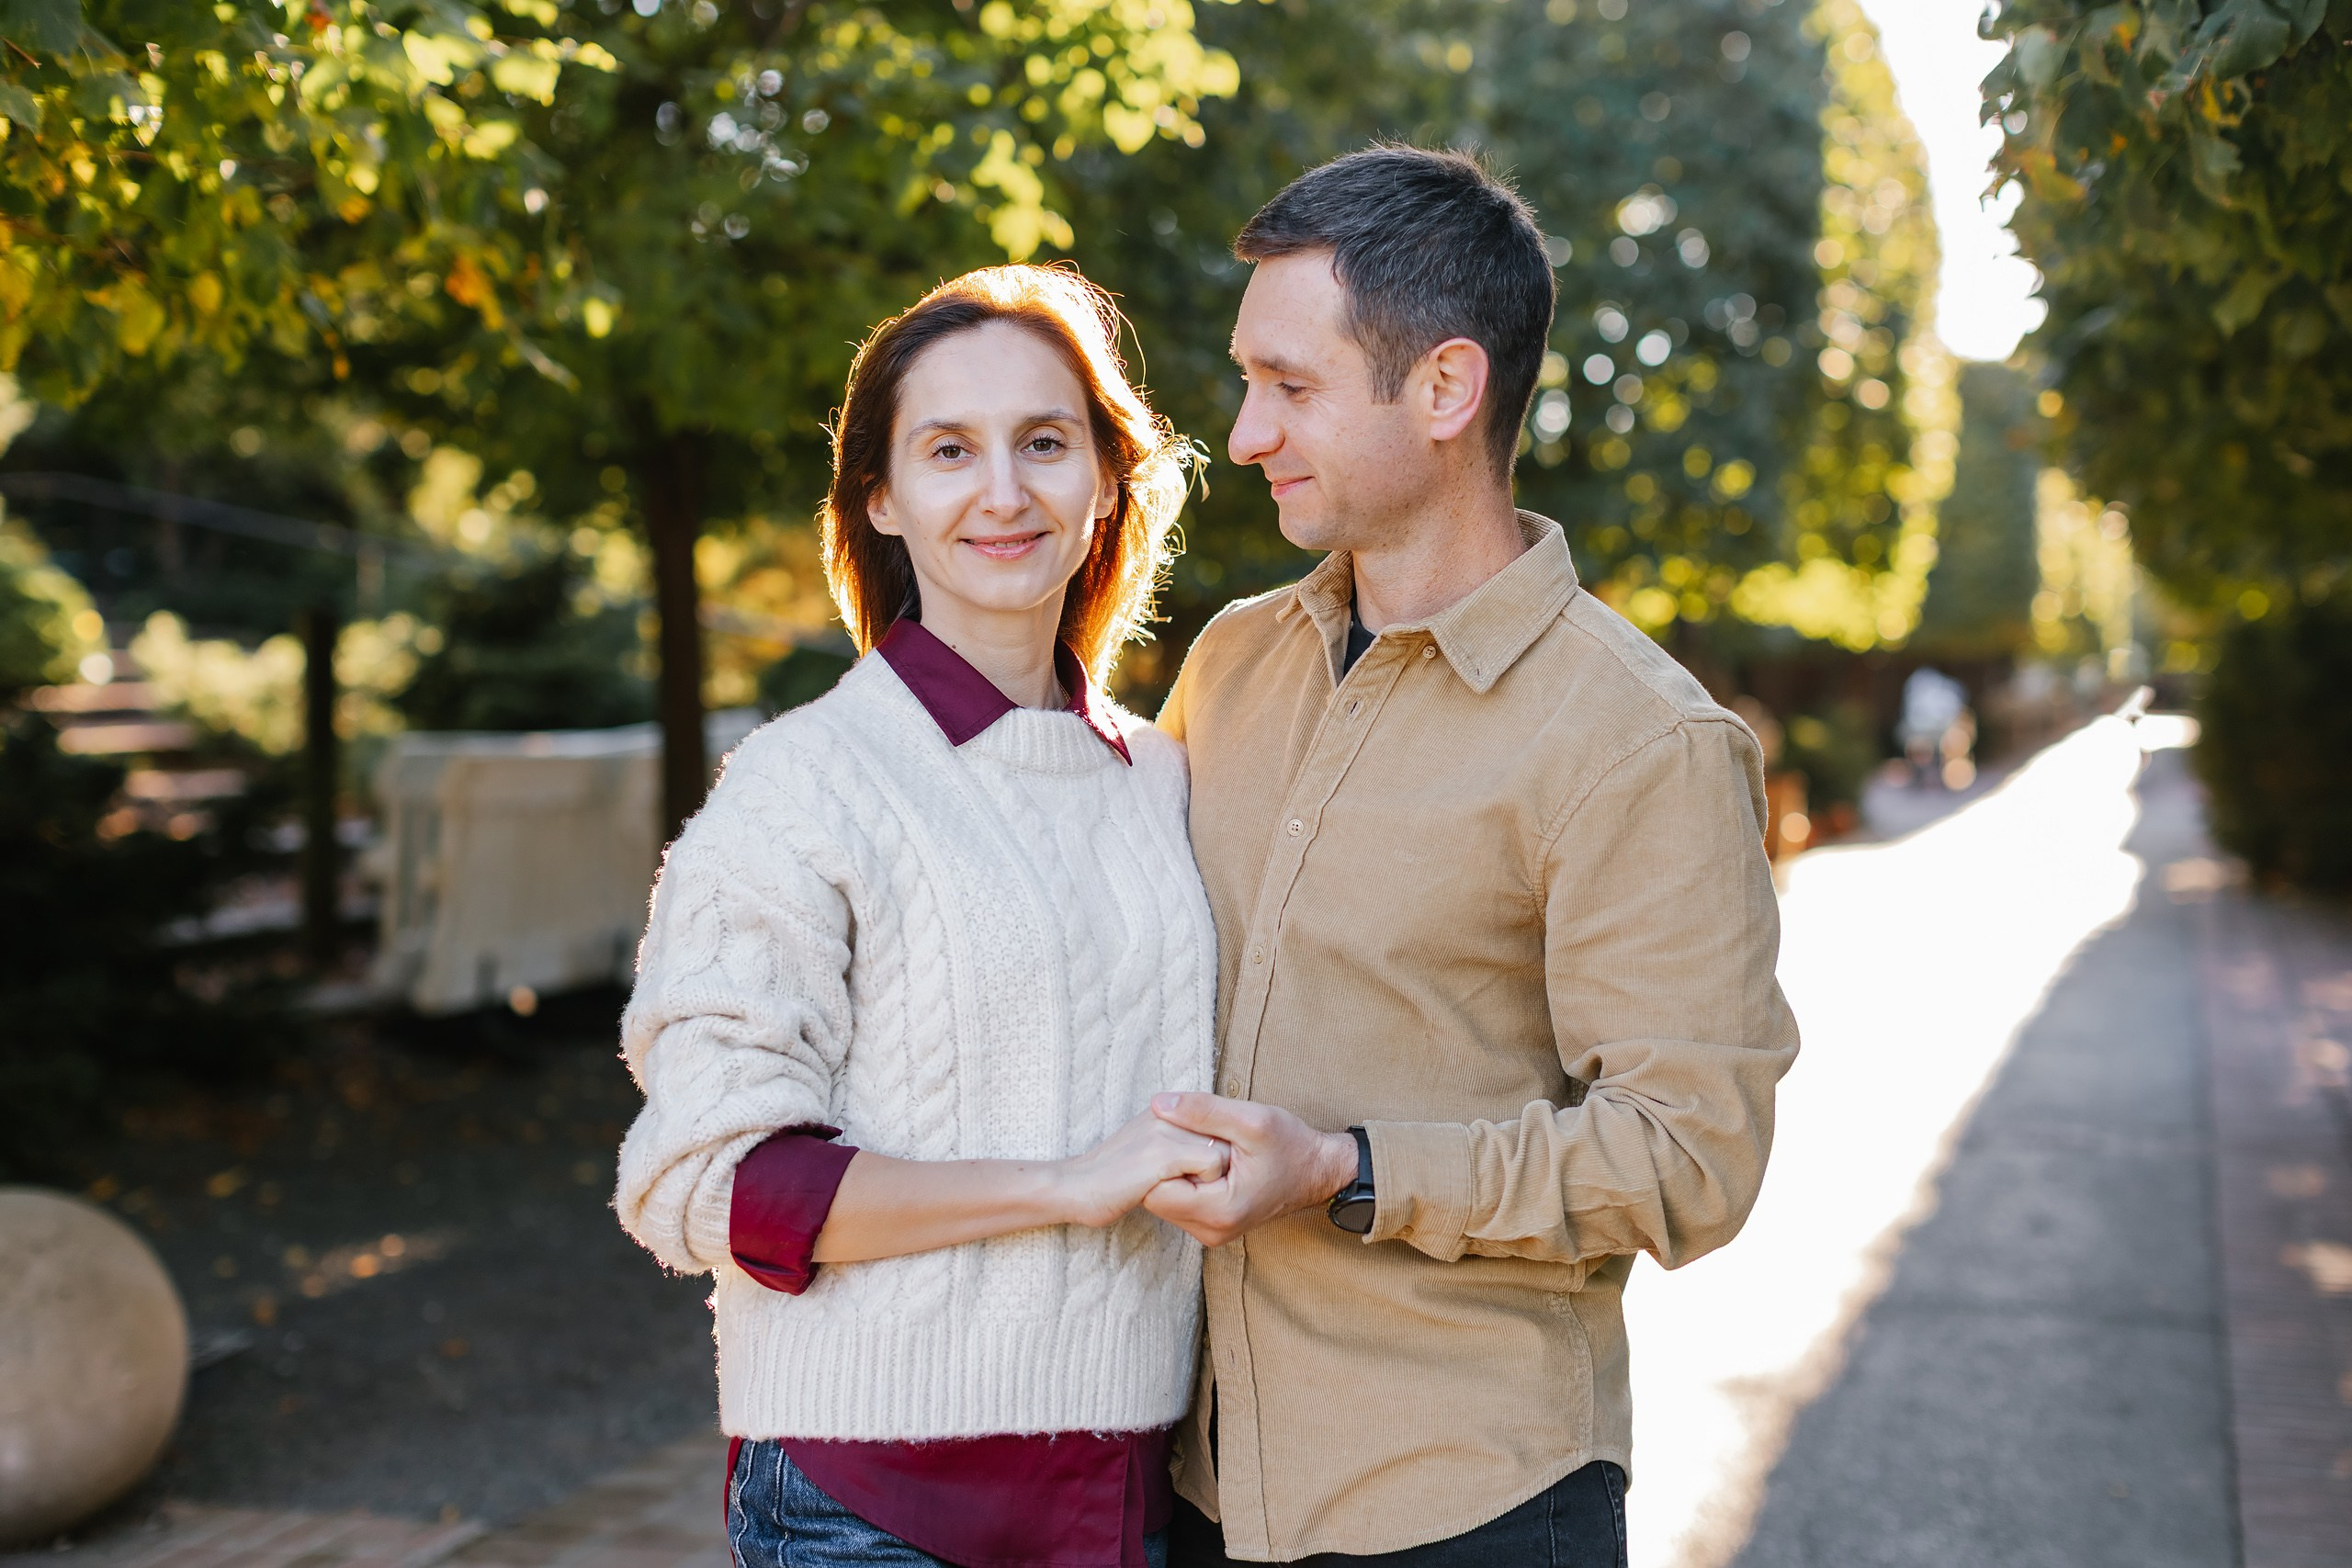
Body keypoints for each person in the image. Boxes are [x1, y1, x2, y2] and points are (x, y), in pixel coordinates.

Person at [1144, 147, 1802, 1564]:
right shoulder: (1231, 664)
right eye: (1249, 382)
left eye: (1292, 387)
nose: (1246, 432)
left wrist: (1342, 1167)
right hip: (1185, 1491)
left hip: (1470, 1509)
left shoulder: (1642, 741)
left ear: (1445, 390)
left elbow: (1691, 1159)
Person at [615, 264, 1226, 1568]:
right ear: (881, 499)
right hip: (873, 1504)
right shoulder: (806, 783)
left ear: (1105, 479)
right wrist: (1067, 1186)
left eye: (1044, 443)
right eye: (950, 450)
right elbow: (711, 1181)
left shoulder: (1166, 777)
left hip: (1133, 1489)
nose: (1003, 492)